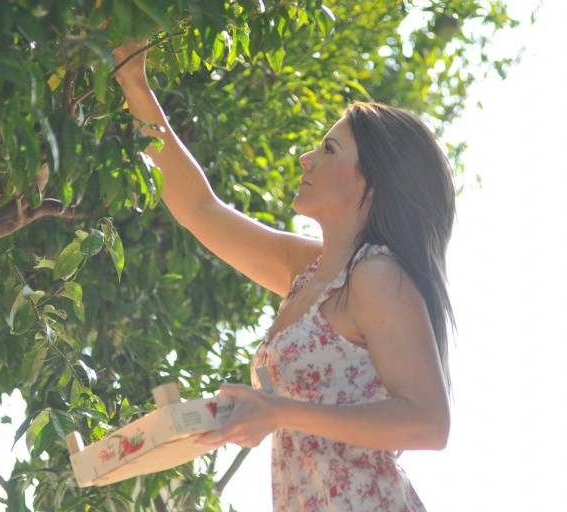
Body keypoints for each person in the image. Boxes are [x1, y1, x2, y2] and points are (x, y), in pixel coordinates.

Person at [112, 39, 455, 511]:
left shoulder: (376, 276)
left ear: (372, 184)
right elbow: (198, 207)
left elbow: (429, 423)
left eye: (329, 148)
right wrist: (134, 81)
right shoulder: (310, 272)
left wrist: (277, 411)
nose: (306, 158)